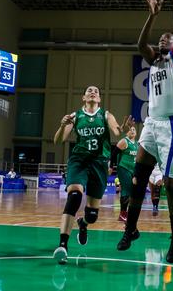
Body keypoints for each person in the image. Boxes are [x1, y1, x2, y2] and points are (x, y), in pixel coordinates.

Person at [117, 0, 173, 264]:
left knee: (172, 184)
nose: (163, 39)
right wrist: (150, 16)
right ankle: (131, 229)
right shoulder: (154, 60)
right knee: (138, 177)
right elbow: (139, 43)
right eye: (161, 38)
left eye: (167, 39)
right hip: (152, 124)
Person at [52, 85, 133, 264]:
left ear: (99, 99)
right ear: (83, 98)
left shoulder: (106, 115)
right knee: (74, 196)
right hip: (79, 161)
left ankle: (84, 224)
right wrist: (62, 125)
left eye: (96, 91)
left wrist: (125, 130)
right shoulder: (75, 116)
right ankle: (63, 246)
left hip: (99, 163)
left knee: (92, 216)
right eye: (89, 90)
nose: (93, 92)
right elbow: (58, 140)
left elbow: (117, 132)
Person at [113, 126, 138, 222]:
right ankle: (122, 214)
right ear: (127, 133)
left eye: (134, 129)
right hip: (123, 168)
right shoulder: (124, 141)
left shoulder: (136, 144)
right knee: (126, 190)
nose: (132, 131)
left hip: (133, 170)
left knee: (132, 192)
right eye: (130, 130)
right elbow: (114, 154)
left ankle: (125, 213)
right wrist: (111, 166)